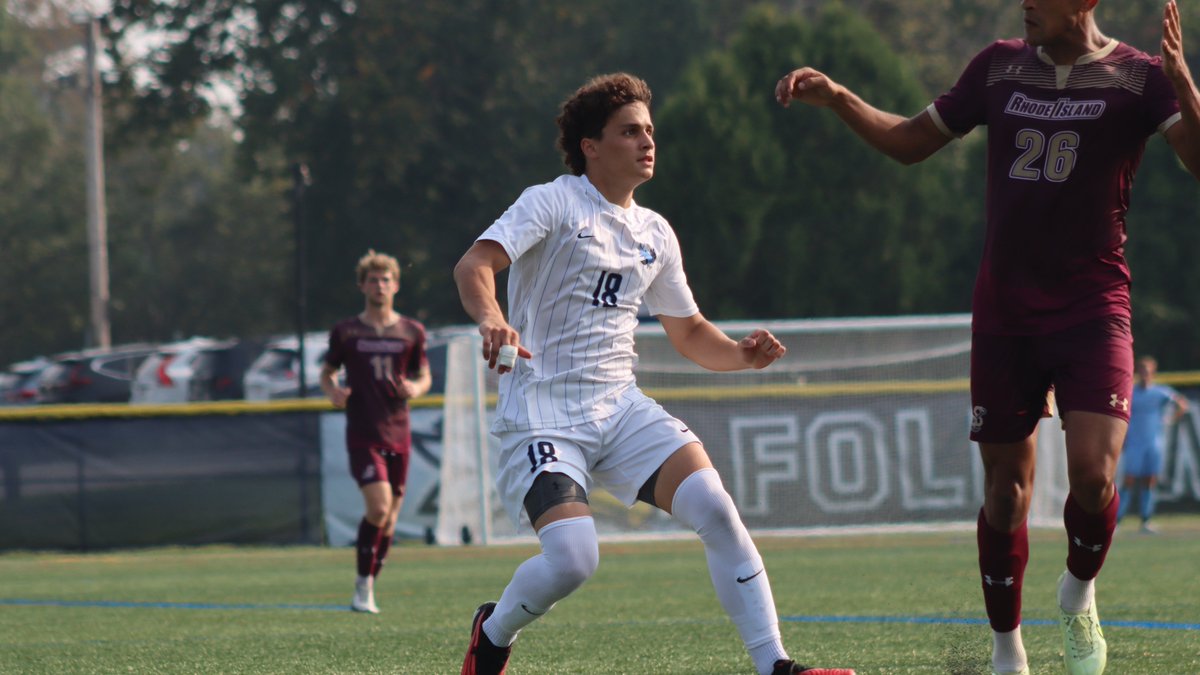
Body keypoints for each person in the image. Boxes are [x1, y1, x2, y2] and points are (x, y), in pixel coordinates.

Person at [774, 1, 1200, 674]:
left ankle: (1078, 591)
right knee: (1006, 492)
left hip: (1093, 305)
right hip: (1005, 310)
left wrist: (1184, 81)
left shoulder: (1141, 77)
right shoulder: (998, 67)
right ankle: (1008, 650)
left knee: (1094, 475)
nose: (1026, 4)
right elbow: (911, 142)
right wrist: (838, 97)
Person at [454, 73, 855, 675]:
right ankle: (495, 630)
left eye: (650, 131)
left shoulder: (656, 232)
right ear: (590, 145)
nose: (647, 142)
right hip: (541, 410)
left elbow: (690, 332)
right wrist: (492, 319)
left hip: (619, 407)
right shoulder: (552, 202)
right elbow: (475, 264)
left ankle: (776, 665)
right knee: (572, 560)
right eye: (629, 131)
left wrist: (742, 355)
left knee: (717, 511)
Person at [320, 250, 431, 614]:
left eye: (385, 280)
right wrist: (332, 390)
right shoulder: (347, 331)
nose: (379, 286)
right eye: (373, 280)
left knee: (391, 518)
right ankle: (362, 586)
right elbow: (327, 372)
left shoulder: (411, 330)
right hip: (363, 433)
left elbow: (424, 375)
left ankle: (368, 583)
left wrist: (416, 388)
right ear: (362, 286)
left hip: (398, 432)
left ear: (395, 285)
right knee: (379, 507)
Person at [1116, 356, 1189, 533]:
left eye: (1147, 371)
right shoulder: (1131, 392)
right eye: (1141, 370)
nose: (1144, 374)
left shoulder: (1160, 392)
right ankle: (1117, 521)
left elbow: (1182, 404)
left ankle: (1145, 521)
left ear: (1153, 372)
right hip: (1134, 443)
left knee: (1150, 481)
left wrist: (1171, 418)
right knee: (1129, 480)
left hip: (1154, 443)